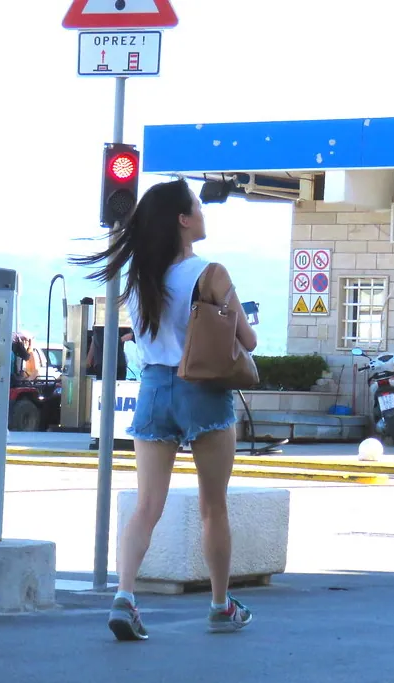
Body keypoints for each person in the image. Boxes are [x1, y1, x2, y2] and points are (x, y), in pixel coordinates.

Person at [71, 178, 258, 641]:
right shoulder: (209, 273)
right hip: (202, 388)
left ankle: (125, 596)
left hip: (153, 388)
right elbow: (247, 341)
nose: (202, 211)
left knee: (147, 506)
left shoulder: (138, 278)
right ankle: (220, 605)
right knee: (213, 507)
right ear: (182, 219)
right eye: (196, 205)